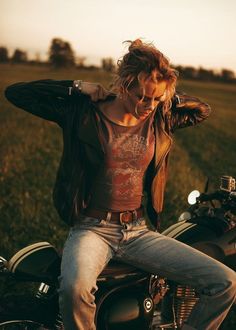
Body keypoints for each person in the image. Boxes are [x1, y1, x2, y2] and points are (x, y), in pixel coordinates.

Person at [5, 39, 236, 330]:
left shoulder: (159, 117)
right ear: (124, 85)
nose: (148, 106)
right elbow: (17, 93)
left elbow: (201, 110)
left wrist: (167, 99)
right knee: (75, 290)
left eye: (156, 99)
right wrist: (76, 86)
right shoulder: (84, 112)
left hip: (139, 231)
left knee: (224, 282)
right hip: (92, 229)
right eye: (142, 96)